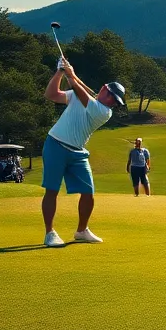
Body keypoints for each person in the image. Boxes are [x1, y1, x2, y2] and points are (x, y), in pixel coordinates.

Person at [40, 58, 126, 248]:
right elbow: (51, 95)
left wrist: (70, 74)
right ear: (103, 89)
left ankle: (81, 230)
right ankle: (49, 233)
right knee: (52, 190)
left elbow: (82, 94)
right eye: (112, 96)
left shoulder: (104, 112)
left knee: (88, 192)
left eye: (116, 101)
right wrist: (60, 73)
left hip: (77, 152)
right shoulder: (80, 96)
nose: (112, 102)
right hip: (55, 145)